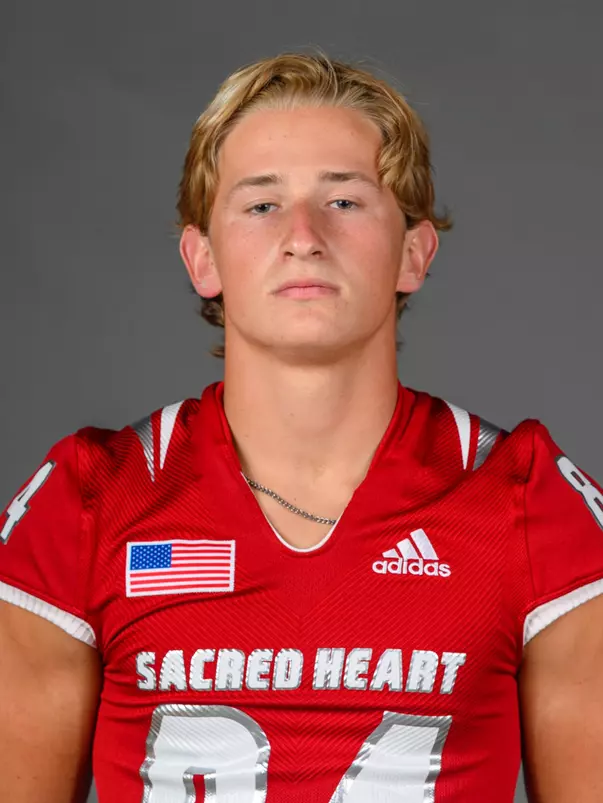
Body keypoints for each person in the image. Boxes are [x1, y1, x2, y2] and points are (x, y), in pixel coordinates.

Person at [1, 51, 602, 803]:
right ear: (201, 258)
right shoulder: (89, 500)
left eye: (344, 201)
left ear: (414, 251)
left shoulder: (527, 497)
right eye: (260, 205)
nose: (303, 236)